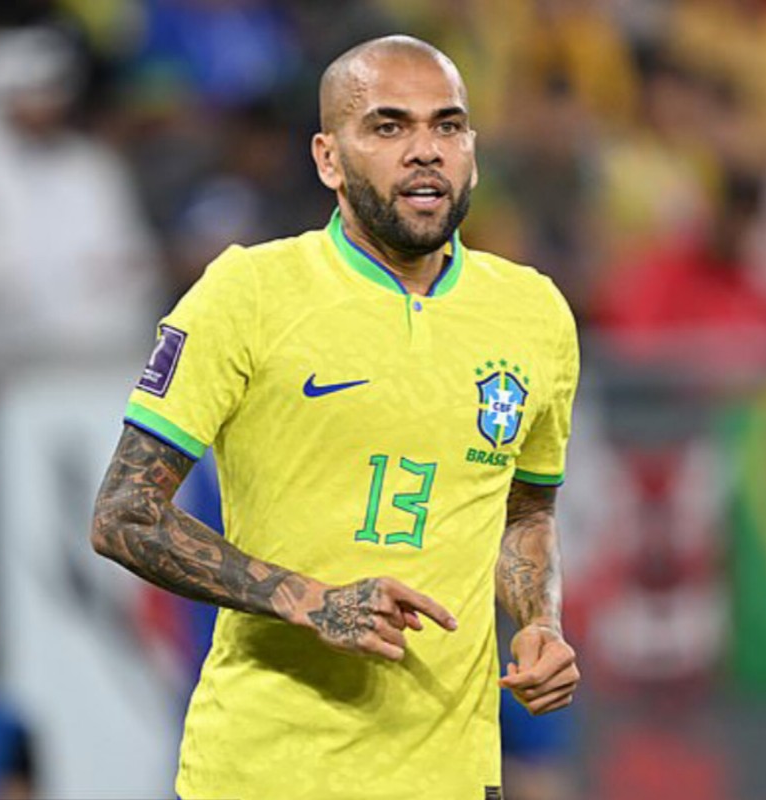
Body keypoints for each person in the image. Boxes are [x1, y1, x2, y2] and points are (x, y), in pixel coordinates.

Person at [90, 35, 580, 800]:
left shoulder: (534, 314)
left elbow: (527, 512)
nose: (426, 150)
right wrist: (309, 601)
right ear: (328, 159)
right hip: (264, 774)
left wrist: (539, 621)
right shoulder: (249, 294)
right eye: (388, 127)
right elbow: (124, 514)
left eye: (447, 126)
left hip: (450, 779)